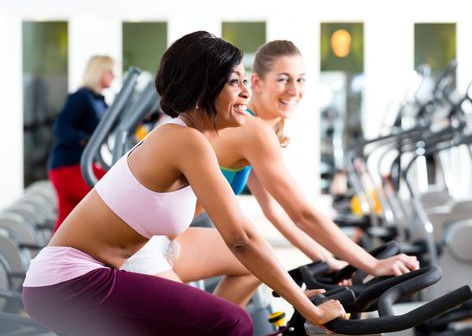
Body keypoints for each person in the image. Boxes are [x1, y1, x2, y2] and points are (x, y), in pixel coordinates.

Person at [22, 31, 346, 336]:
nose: (247, 92)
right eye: (235, 82)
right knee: (234, 322)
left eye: (245, 80)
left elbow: (239, 236)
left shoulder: (191, 139)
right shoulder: (184, 141)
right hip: (69, 283)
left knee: (222, 307)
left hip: (91, 274)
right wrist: (307, 308)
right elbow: (241, 238)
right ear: (202, 89)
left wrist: (298, 290)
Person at [193, 39, 419, 276]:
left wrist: (330, 261)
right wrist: (371, 264)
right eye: (283, 79)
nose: (294, 90)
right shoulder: (252, 129)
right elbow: (302, 215)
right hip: (177, 229)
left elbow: (275, 212)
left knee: (259, 261)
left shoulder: (254, 128)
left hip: (185, 224)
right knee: (256, 261)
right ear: (257, 83)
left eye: (300, 79)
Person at [48, 55, 115, 233]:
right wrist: (85, 139)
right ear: (98, 73)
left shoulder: (100, 101)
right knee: (110, 198)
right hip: (68, 167)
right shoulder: (80, 97)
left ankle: (54, 258)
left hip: (84, 165)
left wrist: (147, 116)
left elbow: (116, 124)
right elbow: (61, 127)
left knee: (65, 222)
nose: (114, 76)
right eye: (109, 72)